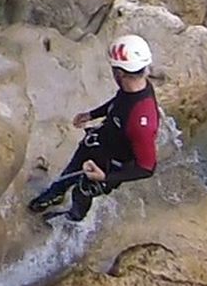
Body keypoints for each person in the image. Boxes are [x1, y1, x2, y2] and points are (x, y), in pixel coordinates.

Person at [27, 33, 161, 222]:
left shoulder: (142, 122)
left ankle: (72, 219)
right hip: (100, 142)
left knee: (83, 191)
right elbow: (119, 103)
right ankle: (55, 194)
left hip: (112, 165)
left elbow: (147, 167)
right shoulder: (135, 88)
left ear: (119, 73)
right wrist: (92, 115)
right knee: (72, 169)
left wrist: (105, 177)